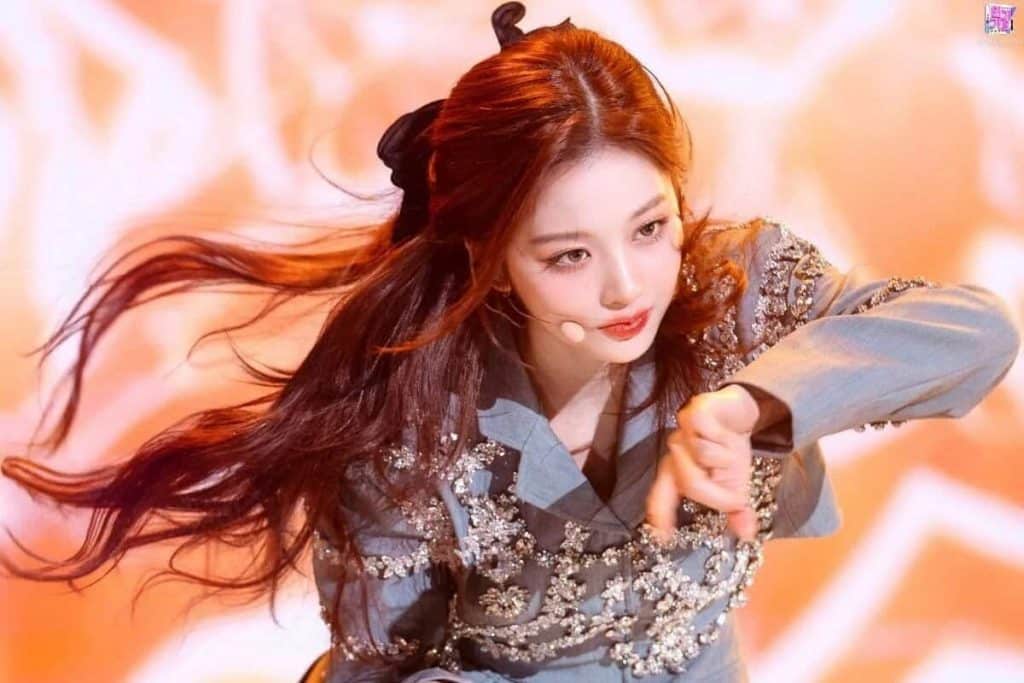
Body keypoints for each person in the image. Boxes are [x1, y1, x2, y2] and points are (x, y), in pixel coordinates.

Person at [2, 3, 1019, 682]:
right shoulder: (409, 430)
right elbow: (377, 667)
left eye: (650, 227)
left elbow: (976, 330)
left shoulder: (732, 290)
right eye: (568, 254)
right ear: (489, 258)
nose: (628, 286)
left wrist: (754, 404)